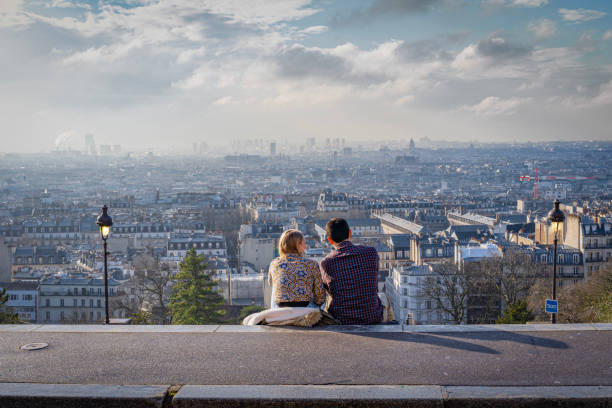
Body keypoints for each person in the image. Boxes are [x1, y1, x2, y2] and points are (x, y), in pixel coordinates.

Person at [320, 218, 384, 324]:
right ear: (350, 233)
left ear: (330, 240)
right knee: (384, 299)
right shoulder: (371, 253)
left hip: (341, 319)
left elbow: (330, 291)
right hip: (372, 317)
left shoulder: (326, 263)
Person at [268, 229, 326, 308]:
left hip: (281, 306)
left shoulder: (274, 263)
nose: (305, 246)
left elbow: (271, 283)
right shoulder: (312, 264)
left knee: (275, 288)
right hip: (305, 307)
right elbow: (320, 296)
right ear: (298, 245)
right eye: (304, 243)